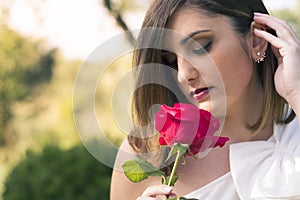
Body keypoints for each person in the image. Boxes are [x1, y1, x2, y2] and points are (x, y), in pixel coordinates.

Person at [110, 0, 300, 199]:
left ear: (256, 40)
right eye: (170, 60)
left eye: (200, 47)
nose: (183, 75)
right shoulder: (146, 152)